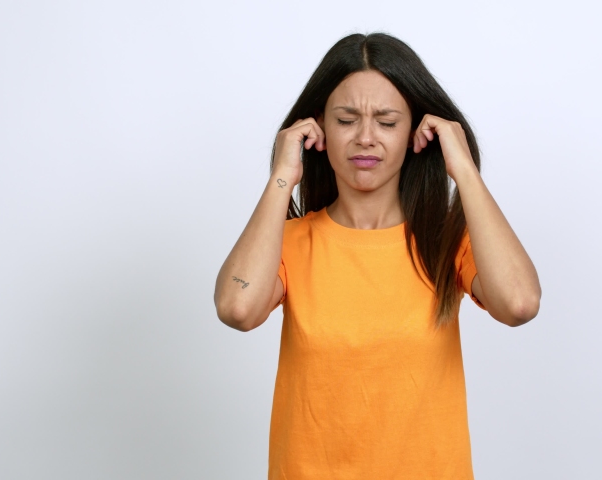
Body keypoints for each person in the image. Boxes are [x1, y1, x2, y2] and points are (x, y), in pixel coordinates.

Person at [214, 32, 541, 480]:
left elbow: (520, 303)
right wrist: (283, 175)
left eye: (387, 122)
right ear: (319, 130)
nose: (366, 138)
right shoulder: (290, 240)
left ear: (414, 133)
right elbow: (237, 309)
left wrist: (462, 169)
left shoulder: (446, 240)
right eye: (347, 120)